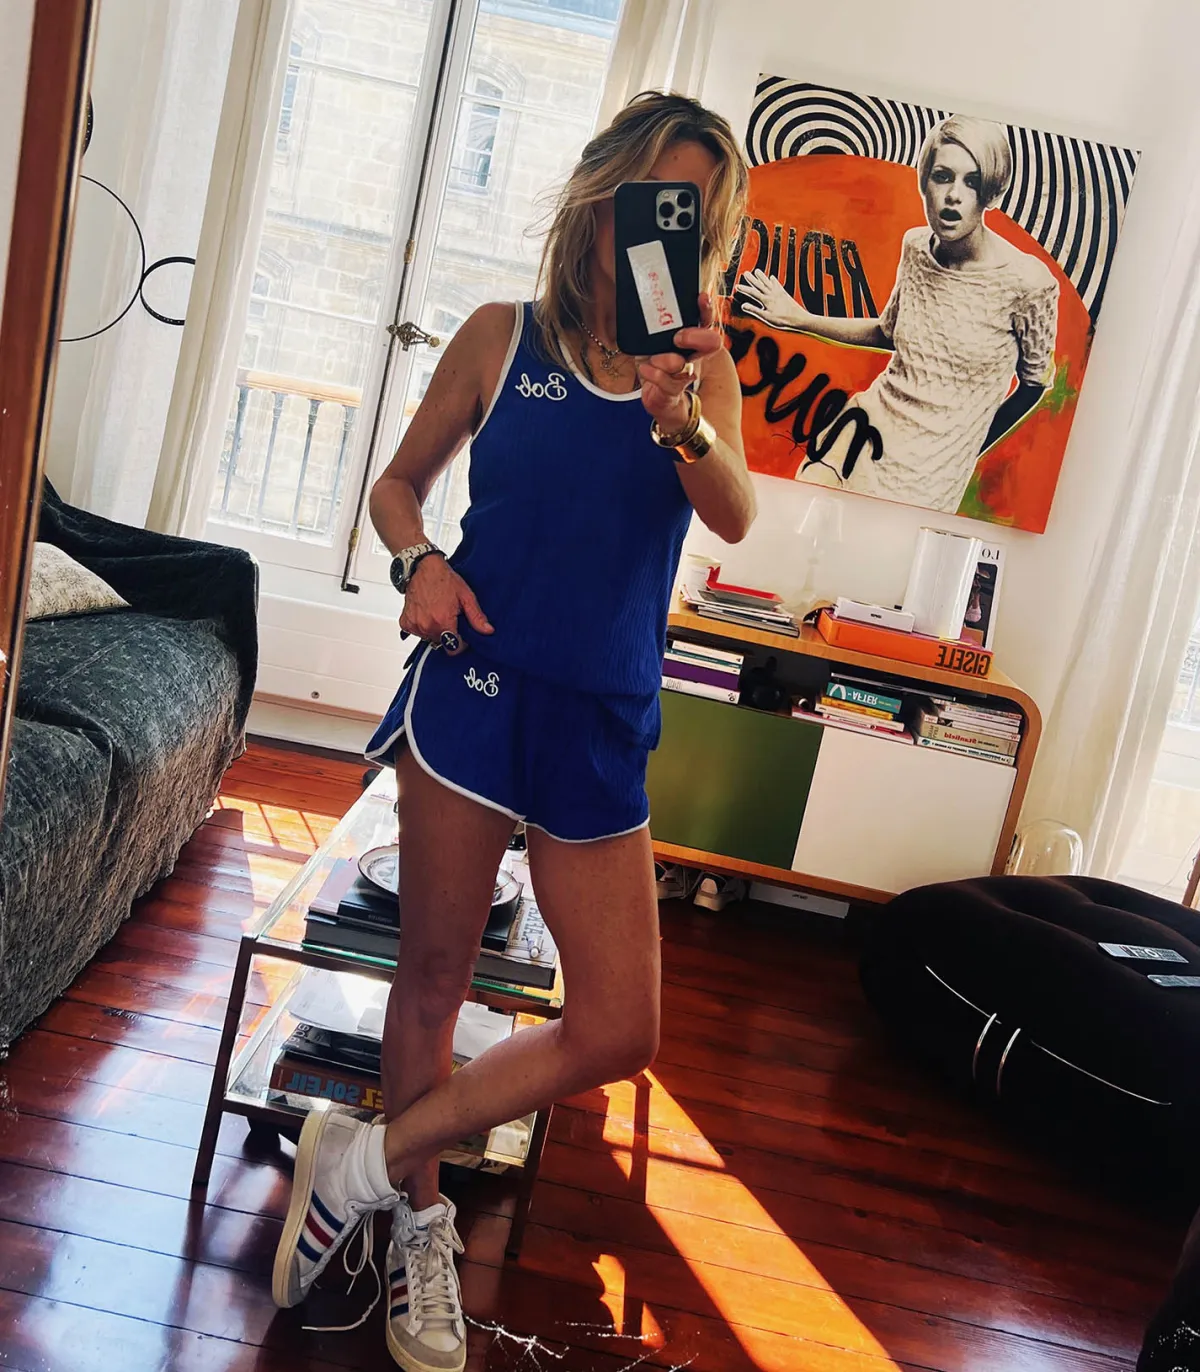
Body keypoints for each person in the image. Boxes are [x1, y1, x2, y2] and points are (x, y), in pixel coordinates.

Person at [271, 92, 753, 1372]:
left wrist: (681, 416)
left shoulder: (698, 368)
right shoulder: (502, 334)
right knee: (433, 976)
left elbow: (736, 514)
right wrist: (417, 562)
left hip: (599, 717)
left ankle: (362, 1160)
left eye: (698, 212)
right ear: (603, 193)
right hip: (473, 696)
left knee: (620, 1024)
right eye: (659, 196)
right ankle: (419, 1219)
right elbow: (396, 484)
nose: (672, 227)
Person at [737, 114, 1060, 513]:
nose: (953, 195)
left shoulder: (1029, 283)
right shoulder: (916, 246)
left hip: (927, 475)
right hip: (861, 428)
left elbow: (1033, 384)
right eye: (942, 176)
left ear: (990, 192)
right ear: (925, 182)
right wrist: (797, 318)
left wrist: (966, 448)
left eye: (971, 182)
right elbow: (887, 331)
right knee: (790, 524)